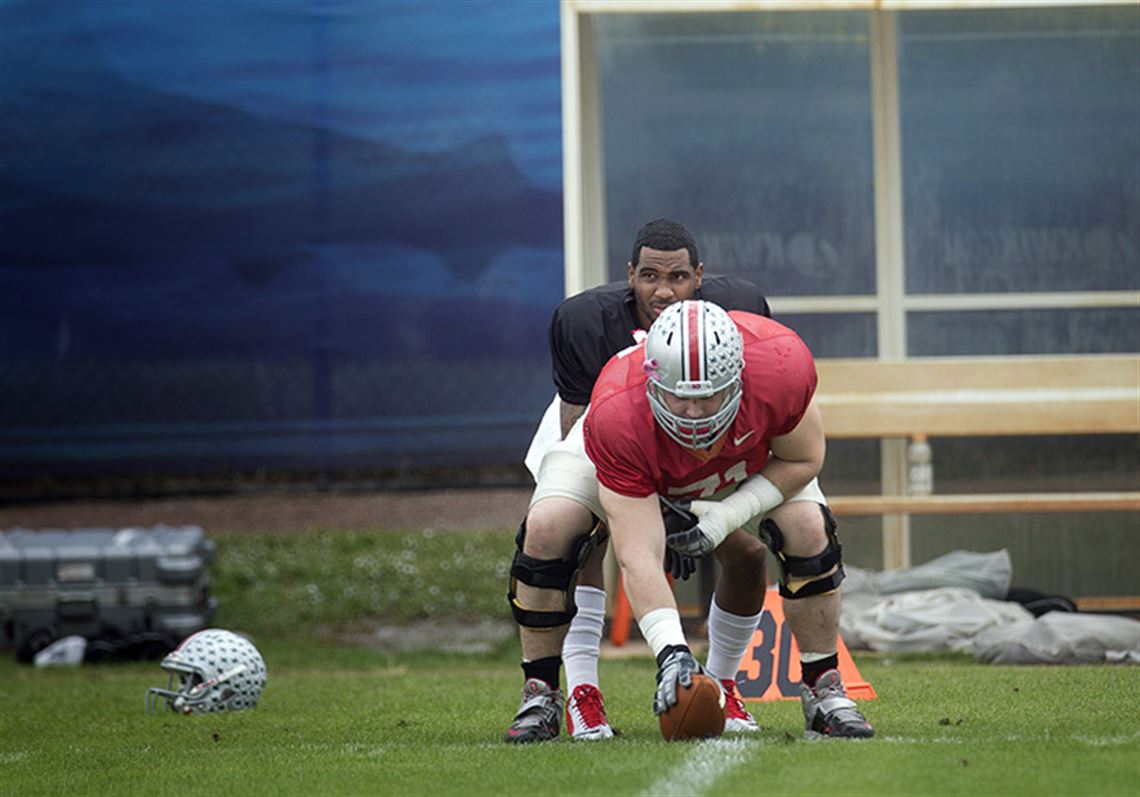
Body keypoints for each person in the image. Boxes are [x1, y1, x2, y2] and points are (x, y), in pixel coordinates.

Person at [505, 219, 769, 743]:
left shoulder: (738, 312)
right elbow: (579, 434)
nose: (663, 291)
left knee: (751, 551)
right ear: (629, 276)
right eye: (649, 276)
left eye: (676, 277)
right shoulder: (585, 321)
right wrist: (648, 516)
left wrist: (685, 508)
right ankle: (570, 693)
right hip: (601, 439)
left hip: (704, 444)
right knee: (567, 535)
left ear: (700, 277)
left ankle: (720, 683)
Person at [583, 300, 874, 739]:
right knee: (556, 529)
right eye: (681, 396)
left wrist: (727, 516)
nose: (695, 413)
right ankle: (556, 691)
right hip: (651, 470)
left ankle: (824, 688)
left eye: (708, 397)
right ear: (653, 382)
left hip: (750, 460)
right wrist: (672, 653)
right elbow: (638, 553)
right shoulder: (616, 413)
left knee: (809, 529)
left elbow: (805, 458)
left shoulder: (779, 366)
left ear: (738, 377)